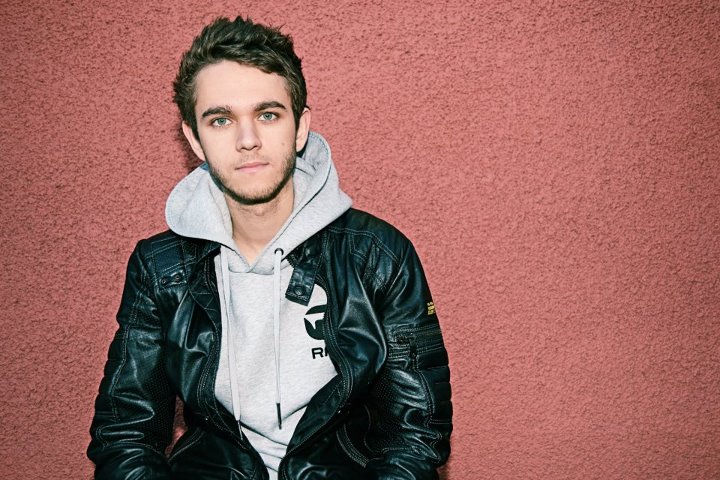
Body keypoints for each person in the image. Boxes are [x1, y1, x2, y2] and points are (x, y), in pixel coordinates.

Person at [88, 15, 452, 480]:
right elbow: (125, 433)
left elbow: (415, 434)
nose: (248, 140)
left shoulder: (378, 257)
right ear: (194, 138)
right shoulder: (161, 268)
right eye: (221, 120)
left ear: (300, 128)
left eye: (267, 114)